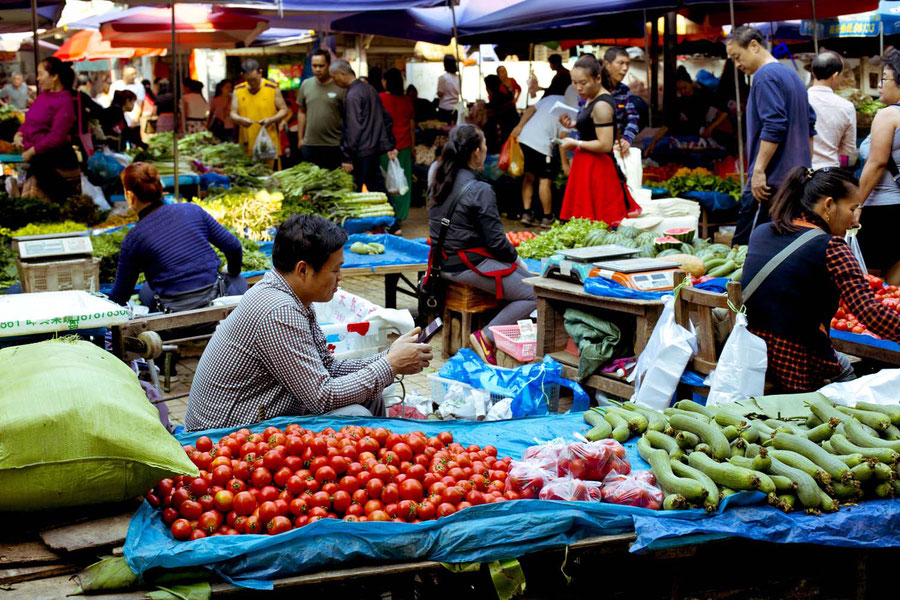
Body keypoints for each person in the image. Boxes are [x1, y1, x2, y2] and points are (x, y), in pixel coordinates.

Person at [185, 214, 433, 430]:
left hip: (258, 412)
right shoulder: (279, 311)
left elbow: (328, 369)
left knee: (371, 396)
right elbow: (322, 397)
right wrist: (389, 365)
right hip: (225, 433)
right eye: (335, 270)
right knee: (354, 417)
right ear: (303, 270)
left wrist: (389, 356)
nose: (340, 278)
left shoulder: (293, 295)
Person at [741, 166, 900, 392]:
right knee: (853, 375)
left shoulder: (762, 231)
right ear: (828, 205)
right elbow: (870, 313)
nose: (855, 221)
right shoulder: (831, 247)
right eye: (852, 209)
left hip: (751, 353)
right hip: (796, 363)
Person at [427, 124, 536, 366]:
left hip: (441, 261)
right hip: (466, 264)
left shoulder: (439, 178)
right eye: (485, 145)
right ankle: (486, 336)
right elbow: (497, 243)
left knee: (521, 278)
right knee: (534, 293)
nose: (486, 149)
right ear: (477, 152)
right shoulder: (480, 189)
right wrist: (517, 259)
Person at [108, 162, 248, 311]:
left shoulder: (133, 239)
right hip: (215, 303)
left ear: (129, 196)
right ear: (160, 187)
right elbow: (233, 246)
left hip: (172, 317)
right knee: (237, 278)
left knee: (146, 291)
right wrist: (232, 271)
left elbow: (120, 295)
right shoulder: (191, 210)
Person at [725, 26, 817, 245]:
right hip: (793, 180)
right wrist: (804, 164)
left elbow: (774, 124)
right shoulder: (791, 76)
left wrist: (758, 170)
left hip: (770, 183)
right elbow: (810, 124)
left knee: (745, 249)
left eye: (737, 57)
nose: (737, 65)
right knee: (776, 248)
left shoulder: (764, 76)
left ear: (754, 46)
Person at [558, 55, 640, 225]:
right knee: (586, 225)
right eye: (574, 82)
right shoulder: (591, 97)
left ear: (598, 78)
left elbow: (604, 144)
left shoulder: (602, 105)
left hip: (598, 170)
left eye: (583, 83)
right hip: (587, 165)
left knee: (599, 224)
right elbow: (593, 128)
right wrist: (575, 125)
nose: (578, 88)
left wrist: (575, 143)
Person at [857, 52, 900, 286]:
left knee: (871, 285)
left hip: (882, 211)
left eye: (884, 79)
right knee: (895, 287)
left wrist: (857, 204)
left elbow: (877, 163)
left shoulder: (888, 115)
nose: (879, 85)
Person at [13, 58, 79, 203]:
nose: (38, 78)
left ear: (54, 76)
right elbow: (30, 120)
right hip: (38, 161)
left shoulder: (65, 101)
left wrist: (32, 151)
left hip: (55, 163)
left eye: (41, 74)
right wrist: (19, 133)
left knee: (57, 208)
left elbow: (57, 136)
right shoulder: (42, 96)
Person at [329, 59, 397, 193]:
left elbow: (353, 128)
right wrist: (388, 144)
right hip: (374, 150)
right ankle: (391, 214)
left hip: (359, 152)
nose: (333, 81)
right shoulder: (370, 89)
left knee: (355, 192)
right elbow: (386, 118)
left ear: (342, 74)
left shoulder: (352, 95)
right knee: (378, 190)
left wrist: (347, 156)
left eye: (334, 77)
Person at [511, 93, 573, 228]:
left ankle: (526, 214)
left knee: (529, 176)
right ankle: (547, 217)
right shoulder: (571, 108)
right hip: (542, 144)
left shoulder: (551, 98)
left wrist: (520, 126)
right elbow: (563, 140)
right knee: (544, 180)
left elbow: (530, 109)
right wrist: (565, 164)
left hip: (525, 138)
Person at [231, 59, 289, 162]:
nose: (252, 83)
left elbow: (284, 110)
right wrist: (239, 119)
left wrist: (271, 119)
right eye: (249, 80)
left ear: (260, 72)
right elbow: (232, 113)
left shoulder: (272, 89)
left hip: (269, 145)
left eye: (255, 79)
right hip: (246, 143)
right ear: (242, 75)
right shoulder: (238, 90)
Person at [297, 48, 345, 170]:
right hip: (310, 144)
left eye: (321, 66)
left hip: (334, 144)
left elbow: (347, 116)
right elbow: (301, 111)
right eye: (314, 66)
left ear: (328, 65)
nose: (317, 69)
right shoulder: (306, 85)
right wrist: (300, 138)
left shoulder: (339, 85)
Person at [379, 68, 415, 232]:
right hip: (405, 145)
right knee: (403, 182)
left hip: (385, 147)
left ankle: (389, 215)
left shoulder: (381, 98)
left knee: (387, 182)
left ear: (386, 81)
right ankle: (400, 215)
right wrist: (413, 147)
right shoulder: (407, 100)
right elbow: (411, 125)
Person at [808, 52, 856, 170]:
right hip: (829, 173)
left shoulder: (798, 99)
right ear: (835, 76)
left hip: (799, 173)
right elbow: (847, 150)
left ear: (813, 73)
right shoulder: (847, 107)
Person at [603, 47, 640, 156]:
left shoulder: (624, 90)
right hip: (594, 149)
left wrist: (626, 139)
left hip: (616, 150)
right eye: (621, 63)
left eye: (627, 64)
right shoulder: (595, 88)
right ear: (607, 64)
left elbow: (633, 117)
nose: (625, 68)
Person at [673, 66, 717, 136]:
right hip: (693, 133)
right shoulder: (680, 101)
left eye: (684, 87)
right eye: (679, 90)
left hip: (710, 130)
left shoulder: (704, 94)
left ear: (690, 83)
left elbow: (723, 111)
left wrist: (710, 128)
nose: (683, 91)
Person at [484, 74, 519, 153]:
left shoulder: (495, 99)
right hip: (515, 128)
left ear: (488, 87)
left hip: (508, 132)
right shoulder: (506, 94)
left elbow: (491, 125)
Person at [109, 65, 145, 130]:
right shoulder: (115, 85)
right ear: (124, 74)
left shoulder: (139, 86)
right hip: (119, 123)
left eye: (135, 74)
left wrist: (135, 119)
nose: (134, 76)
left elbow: (140, 104)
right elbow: (112, 102)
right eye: (132, 74)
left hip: (133, 123)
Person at [436, 54, 460, 123]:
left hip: (444, 108)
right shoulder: (458, 77)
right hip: (455, 108)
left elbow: (440, 94)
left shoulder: (443, 78)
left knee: (444, 130)